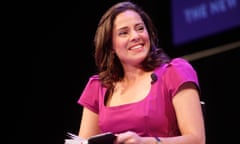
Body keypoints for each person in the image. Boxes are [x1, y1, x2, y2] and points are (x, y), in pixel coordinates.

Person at [77, 1, 205, 144]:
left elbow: (196, 140)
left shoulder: (175, 72)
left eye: (140, 28)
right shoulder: (98, 88)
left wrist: (143, 142)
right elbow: (84, 142)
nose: (135, 36)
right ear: (110, 45)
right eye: (124, 33)